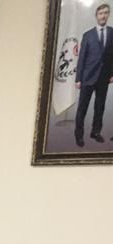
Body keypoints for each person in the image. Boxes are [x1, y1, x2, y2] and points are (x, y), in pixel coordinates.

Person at [74, 3, 113, 148]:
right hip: (87, 77)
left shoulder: (112, 33)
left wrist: (112, 74)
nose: (103, 16)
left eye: (106, 13)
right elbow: (82, 58)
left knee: (99, 107)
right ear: (96, 16)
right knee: (82, 108)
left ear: (108, 15)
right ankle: (79, 135)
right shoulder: (88, 35)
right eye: (101, 13)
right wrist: (78, 79)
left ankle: (95, 132)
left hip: (104, 78)